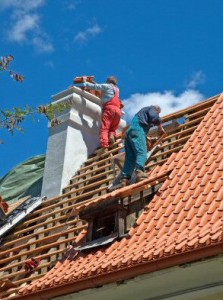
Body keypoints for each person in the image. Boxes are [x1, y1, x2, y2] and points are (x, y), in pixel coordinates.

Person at [120, 105, 166, 185]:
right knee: (142, 153)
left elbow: (140, 134)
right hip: (138, 130)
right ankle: (139, 172)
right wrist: (160, 127)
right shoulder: (152, 109)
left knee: (130, 157)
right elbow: (154, 117)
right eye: (158, 113)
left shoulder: (141, 114)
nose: (157, 114)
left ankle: (125, 178)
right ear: (157, 110)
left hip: (129, 133)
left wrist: (149, 139)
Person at [81, 76, 123, 154]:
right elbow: (101, 87)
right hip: (118, 111)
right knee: (112, 129)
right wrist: (95, 82)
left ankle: (104, 147)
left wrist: (84, 81)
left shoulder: (106, 86)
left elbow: (95, 87)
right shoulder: (117, 89)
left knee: (104, 129)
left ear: (108, 81)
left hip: (109, 109)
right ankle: (111, 136)